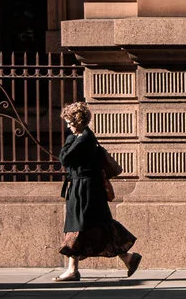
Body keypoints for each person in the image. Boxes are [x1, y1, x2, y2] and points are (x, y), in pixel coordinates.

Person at [55, 102, 139, 281]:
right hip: (81, 188)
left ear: (78, 120)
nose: (67, 125)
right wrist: (70, 140)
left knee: (82, 226)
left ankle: (73, 270)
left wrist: (68, 142)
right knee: (90, 226)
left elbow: (65, 158)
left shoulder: (84, 138)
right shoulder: (79, 137)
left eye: (69, 121)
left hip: (86, 189)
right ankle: (127, 258)